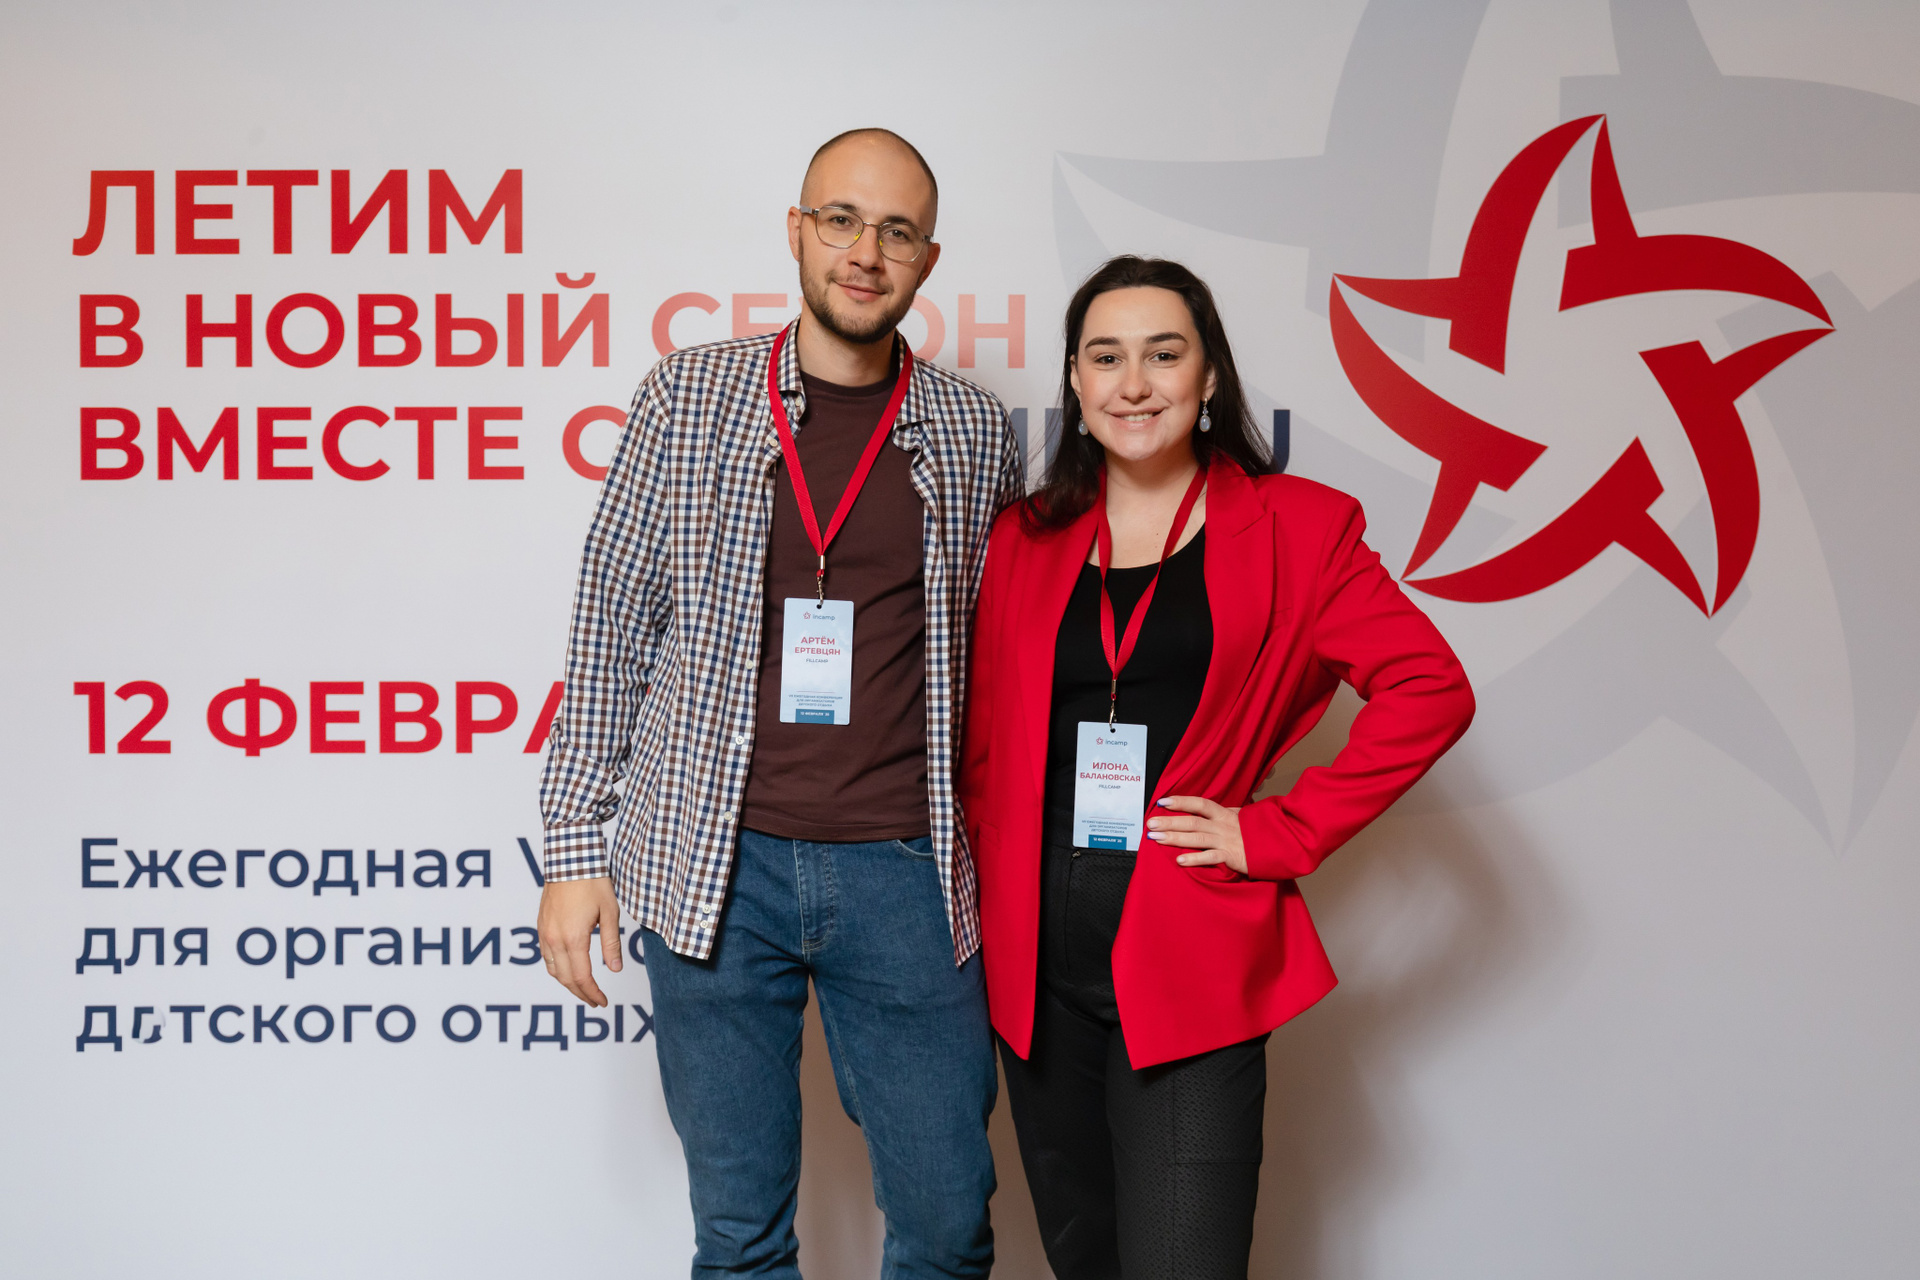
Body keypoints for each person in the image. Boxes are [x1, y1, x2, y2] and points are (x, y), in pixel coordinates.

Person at [536, 128, 1023, 1279]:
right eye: (841, 220)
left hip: (907, 869)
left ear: (929, 257)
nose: (866, 252)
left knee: (948, 1225)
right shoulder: (689, 395)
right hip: (718, 860)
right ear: (797, 232)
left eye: (897, 230)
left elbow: (1002, 650)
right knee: (740, 1237)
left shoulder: (972, 430)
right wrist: (573, 846)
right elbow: (610, 621)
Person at [959, 255, 1475, 1279]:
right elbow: (982, 748)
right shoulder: (1024, 536)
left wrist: (1280, 829)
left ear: (1207, 377)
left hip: (1189, 949)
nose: (1134, 383)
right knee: (1083, 1261)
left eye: (1164, 354)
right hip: (1035, 969)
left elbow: (1431, 688)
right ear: (1075, 381)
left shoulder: (1301, 527)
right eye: (1106, 357)